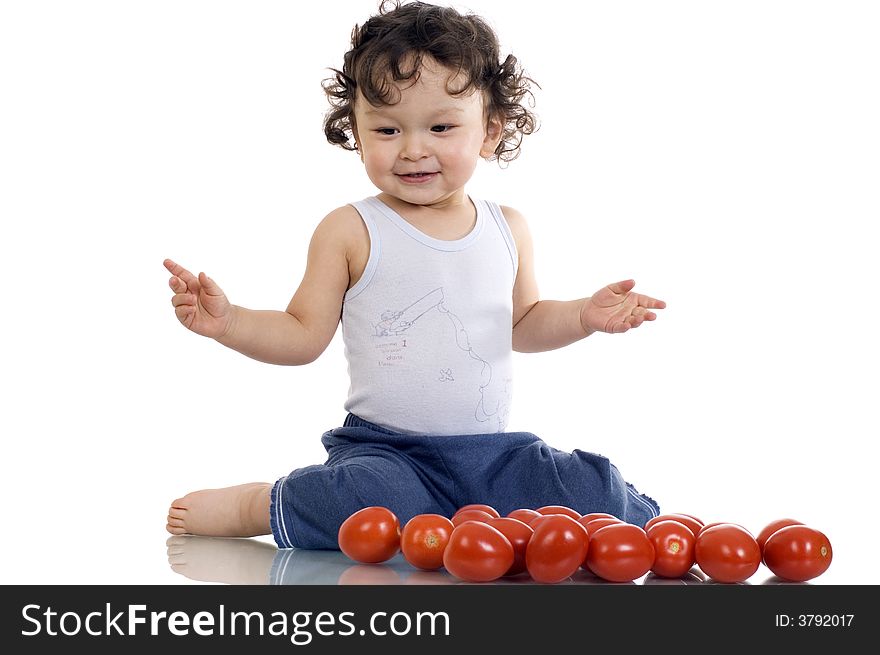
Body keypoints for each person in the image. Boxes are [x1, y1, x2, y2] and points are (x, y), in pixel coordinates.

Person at [165, 0, 666, 550]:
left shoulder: (508, 228)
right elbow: (302, 335)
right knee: (373, 505)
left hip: (490, 457)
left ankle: (476, 522)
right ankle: (257, 504)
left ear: (490, 131)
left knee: (591, 493)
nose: (413, 149)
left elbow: (521, 324)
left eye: (441, 126)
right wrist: (230, 322)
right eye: (386, 129)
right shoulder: (351, 229)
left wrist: (581, 316)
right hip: (385, 454)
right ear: (354, 130)